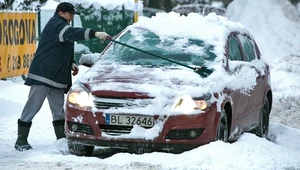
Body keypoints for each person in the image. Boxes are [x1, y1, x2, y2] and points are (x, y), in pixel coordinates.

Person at [14, 2, 110, 151]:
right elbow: (72, 33)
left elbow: (61, 47)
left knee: (58, 109)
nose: (71, 17)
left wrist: (70, 62)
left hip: (56, 76)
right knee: (33, 105)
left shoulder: (61, 25)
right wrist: (95, 33)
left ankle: (61, 140)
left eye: (72, 14)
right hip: (43, 74)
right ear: (61, 13)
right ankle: (21, 140)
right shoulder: (56, 24)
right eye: (70, 14)